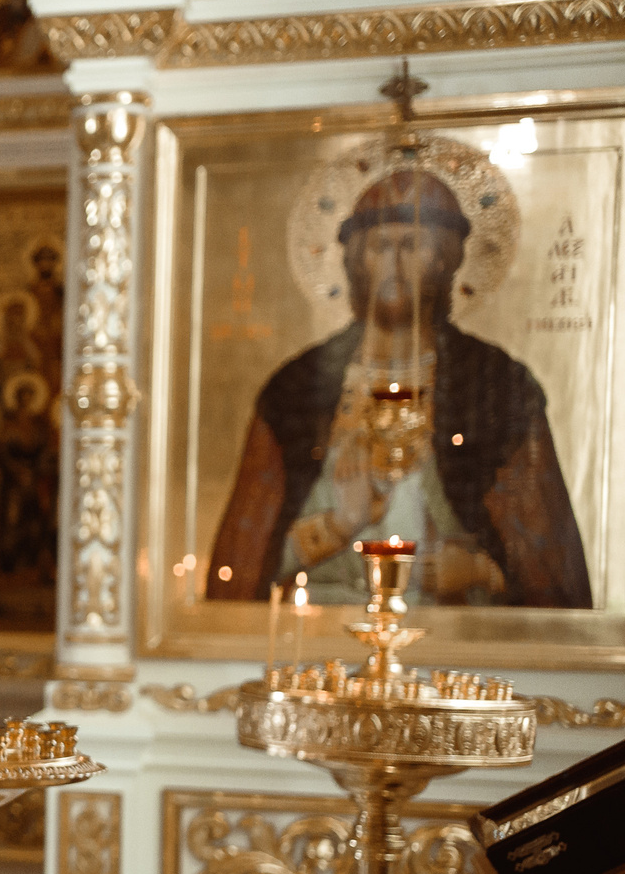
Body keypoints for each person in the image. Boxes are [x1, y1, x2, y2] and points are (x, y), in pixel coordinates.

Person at [205, 167, 591, 606]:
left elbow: (547, 570)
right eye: (379, 246)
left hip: (453, 643)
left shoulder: (494, 387)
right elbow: (245, 565)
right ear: (355, 259)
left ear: (445, 258)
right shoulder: (297, 389)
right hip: (319, 634)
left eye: (413, 245)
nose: (394, 263)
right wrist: (337, 525)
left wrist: (480, 570)